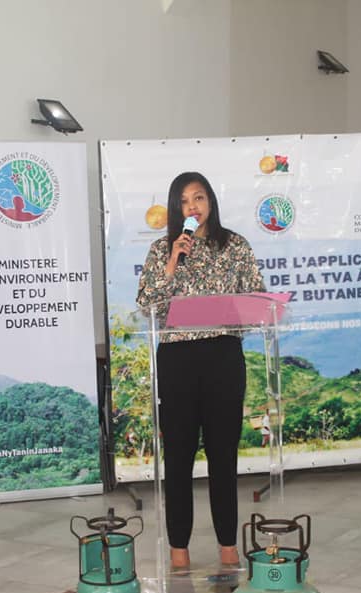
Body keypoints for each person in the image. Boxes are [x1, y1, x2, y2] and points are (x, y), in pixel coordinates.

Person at [136, 171, 265, 569]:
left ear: (210, 202)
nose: (192, 207)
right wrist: (173, 261)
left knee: (223, 456)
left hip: (223, 356)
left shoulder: (235, 245)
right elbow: (147, 305)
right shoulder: (162, 249)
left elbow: (256, 298)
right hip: (177, 359)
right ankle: (179, 549)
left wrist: (235, 310)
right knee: (178, 457)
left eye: (199, 198)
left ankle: (228, 545)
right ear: (176, 208)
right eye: (184, 201)